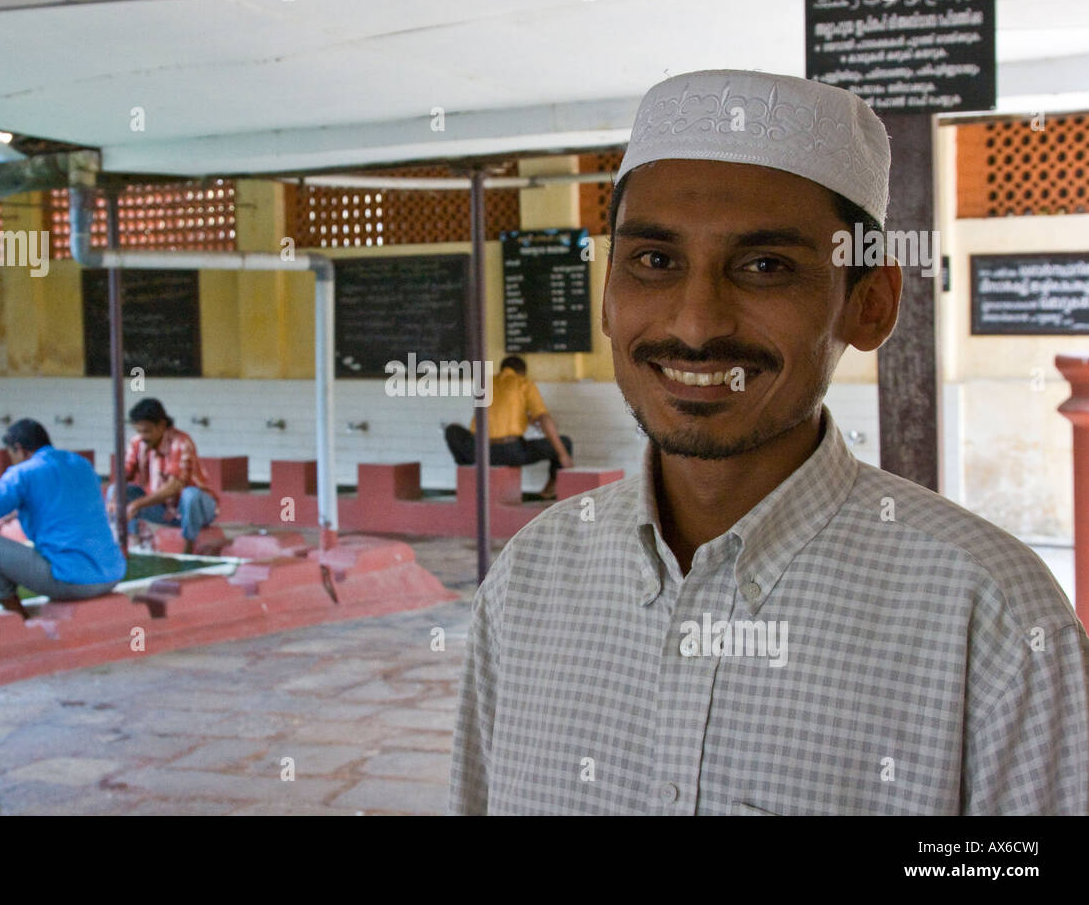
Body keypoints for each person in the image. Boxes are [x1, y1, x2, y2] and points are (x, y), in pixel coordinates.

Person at [449, 69, 1089, 815]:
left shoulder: (993, 620)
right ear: (608, 295)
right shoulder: (532, 580)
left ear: (870, 304)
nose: (694, 325)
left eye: (765, 267)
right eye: (655, 261)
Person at [0, 419, 126, 619]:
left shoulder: (23, 473)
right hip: (112, 574)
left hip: (73, 582)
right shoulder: (82, 464)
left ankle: (20, 620)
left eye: (11, 455)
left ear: (19, 449)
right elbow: (63, 503)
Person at [444, 356, 574, 499]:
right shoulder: (524, 383)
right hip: (511, 452)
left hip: (479, 451)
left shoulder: (485, 383)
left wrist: (525, 418)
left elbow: (497, 412)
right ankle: (549, 490)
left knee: (452, 430)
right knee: (565, 442)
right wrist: (563, 455)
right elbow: (543, 417)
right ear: (522, 372)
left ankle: (469, 471)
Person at [112, 397, 220, 554]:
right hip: (164, 511)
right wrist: (115, 498)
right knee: (118, 491)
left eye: (147, 431)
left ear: (162, 425)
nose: (143, 436)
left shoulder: (181, 442)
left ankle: (188, 548)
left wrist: (136, 505)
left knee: (191, 495)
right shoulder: (137, 442)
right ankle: (133, 543)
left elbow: (174, 487)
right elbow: (125, 473)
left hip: (195, 510)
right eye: (139, 431)